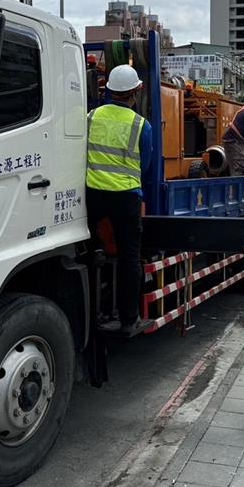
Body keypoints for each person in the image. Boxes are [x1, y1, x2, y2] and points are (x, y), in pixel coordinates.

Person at [86, 64, 154, 335]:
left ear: (109, 90)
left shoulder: (90, 117)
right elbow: (145, 165)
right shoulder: (141, 125)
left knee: (89, 252)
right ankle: (128, 319)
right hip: (126, 197)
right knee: (130, 258)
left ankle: (92, 312)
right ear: (136, 91)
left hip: (93, 195)